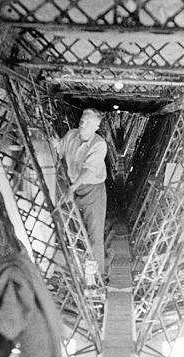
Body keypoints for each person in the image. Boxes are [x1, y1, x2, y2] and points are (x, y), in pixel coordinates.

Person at [55, 108, 107, 276]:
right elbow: (59, 151)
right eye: (82, 120)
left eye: (88, 122)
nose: (83, 124)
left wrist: (71, 188)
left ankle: (96, 277)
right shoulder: (71, 135)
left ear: (96, 126)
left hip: (93, 190)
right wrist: (53, 144)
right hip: (74, 188)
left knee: (94, 234)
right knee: (73, 230)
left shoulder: (99, 144)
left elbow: (88, 171)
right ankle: (77, 271)